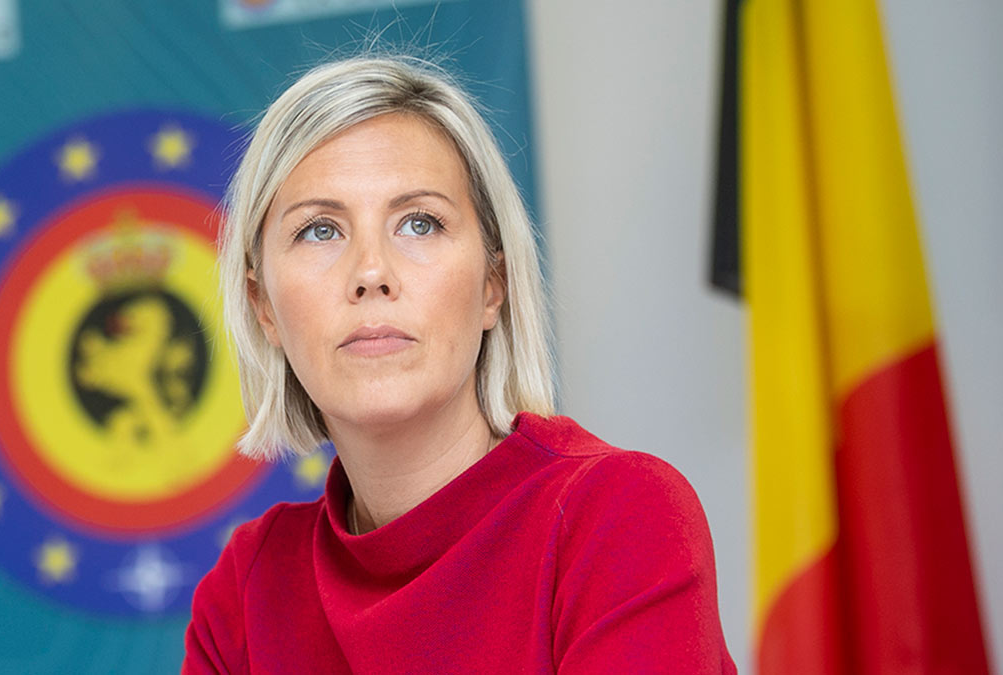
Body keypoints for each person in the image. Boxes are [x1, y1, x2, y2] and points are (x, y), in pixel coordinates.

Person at [183, 54, 736, 674]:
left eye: (419, 223)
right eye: (320, 230)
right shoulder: (246, 590)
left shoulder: (619, 516)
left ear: (493, 286)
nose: (371, 272)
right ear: (261, 304)